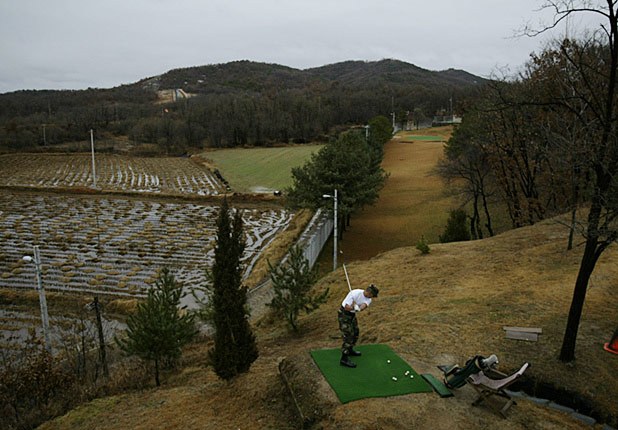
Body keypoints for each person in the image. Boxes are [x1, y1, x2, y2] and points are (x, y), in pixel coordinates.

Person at [338, 283, 379, 368]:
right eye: (372, 295)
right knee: (348, 336)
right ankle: (344, 358)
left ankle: (350, 349)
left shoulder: (369, 299)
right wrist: (353, 307)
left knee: (356, 332)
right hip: (344, 314)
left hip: (352, 315)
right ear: (368, 292)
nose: (372, 297)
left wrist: (358, 308)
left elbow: (363, 306)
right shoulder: (354, 293)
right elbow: (346, 307)